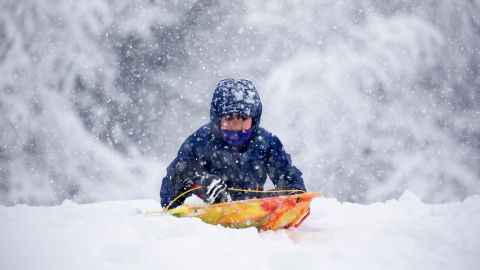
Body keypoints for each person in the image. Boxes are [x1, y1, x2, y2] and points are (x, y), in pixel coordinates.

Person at [160, 79, 306, 209]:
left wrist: (295, 192)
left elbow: (286, 174)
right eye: (229, 118)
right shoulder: (201, 141)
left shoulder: (266, 142)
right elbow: (172, 184)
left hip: (251, 207)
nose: (237, 126)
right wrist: (200, 186)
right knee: (186, 173)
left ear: (254, 120)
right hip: (207, 209)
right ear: (218, 119)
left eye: (243, 118)